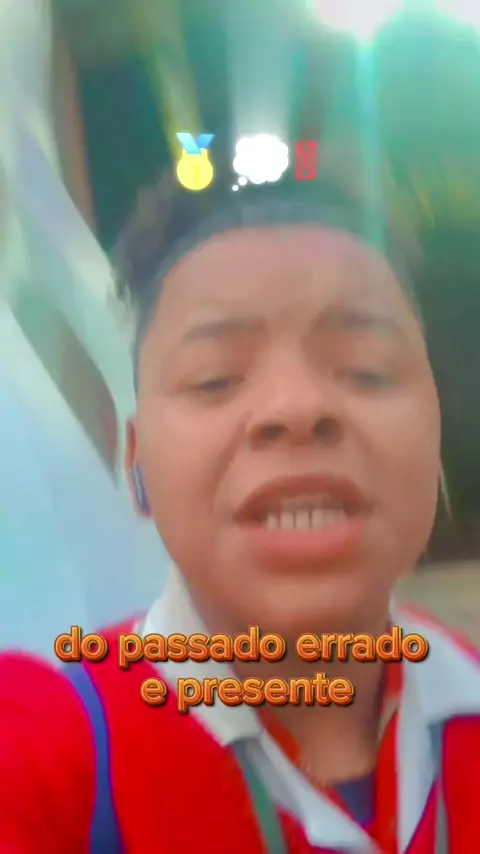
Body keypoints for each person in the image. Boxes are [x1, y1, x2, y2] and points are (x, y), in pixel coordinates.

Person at [0, 163, 479, 854]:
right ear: (136, 464)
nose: (297, 408)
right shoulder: (51, 751)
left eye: (365, 367)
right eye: (216, 378)